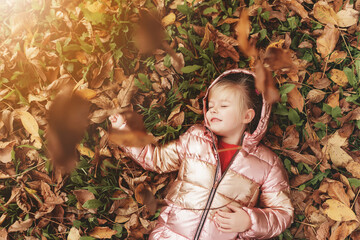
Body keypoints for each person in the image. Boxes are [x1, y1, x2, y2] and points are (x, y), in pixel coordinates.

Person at [109, 69, 294, 240]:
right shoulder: (195, 139)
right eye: (211, 104)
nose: (213, 109)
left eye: (223, 105)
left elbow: (283, 213)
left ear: (247, 116)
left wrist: (249, 221)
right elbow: (158, 159)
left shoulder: (267, 164)